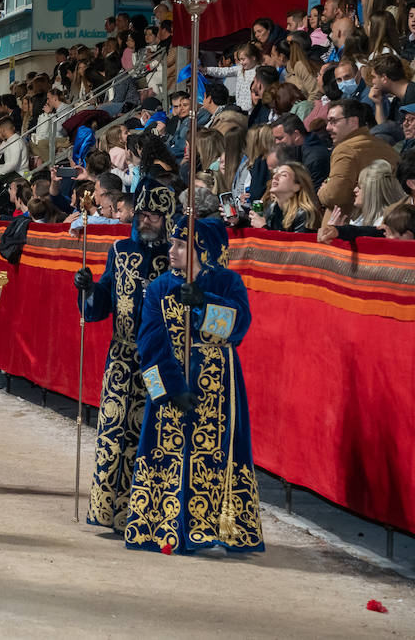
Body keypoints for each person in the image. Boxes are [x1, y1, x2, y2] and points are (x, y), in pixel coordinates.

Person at [125, 216, 263, 554]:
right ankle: (163, 522)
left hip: (220, 386)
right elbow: (149, 344)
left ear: (202, 249)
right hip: (172, 383)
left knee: (218, 454)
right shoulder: (159, 287)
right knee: (166, 449)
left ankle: (219, 527)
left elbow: (240, 328)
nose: (172, 250)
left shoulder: (229, 282)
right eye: (172, 243)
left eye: (181, 244)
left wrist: (204, 302)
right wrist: (169, 388)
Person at [74, 179, 175, 531]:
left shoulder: (175, 257)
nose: (146, 221)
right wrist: (88, 290)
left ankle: (145, 513)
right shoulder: (120, 251)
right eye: (142, 214)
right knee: (114, 434)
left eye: (154, 216)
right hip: (121, 358)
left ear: (167, 219)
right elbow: (102, 301)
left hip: (159, 363)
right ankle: (109, 511)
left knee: (153, 435)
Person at [318, 99, 398, 213]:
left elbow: (334, 196)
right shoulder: (387, 147)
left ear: (353, 122)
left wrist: (323, 191)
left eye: (333, 121)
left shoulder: (345, 150)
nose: (328, 127)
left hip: (348, 225)